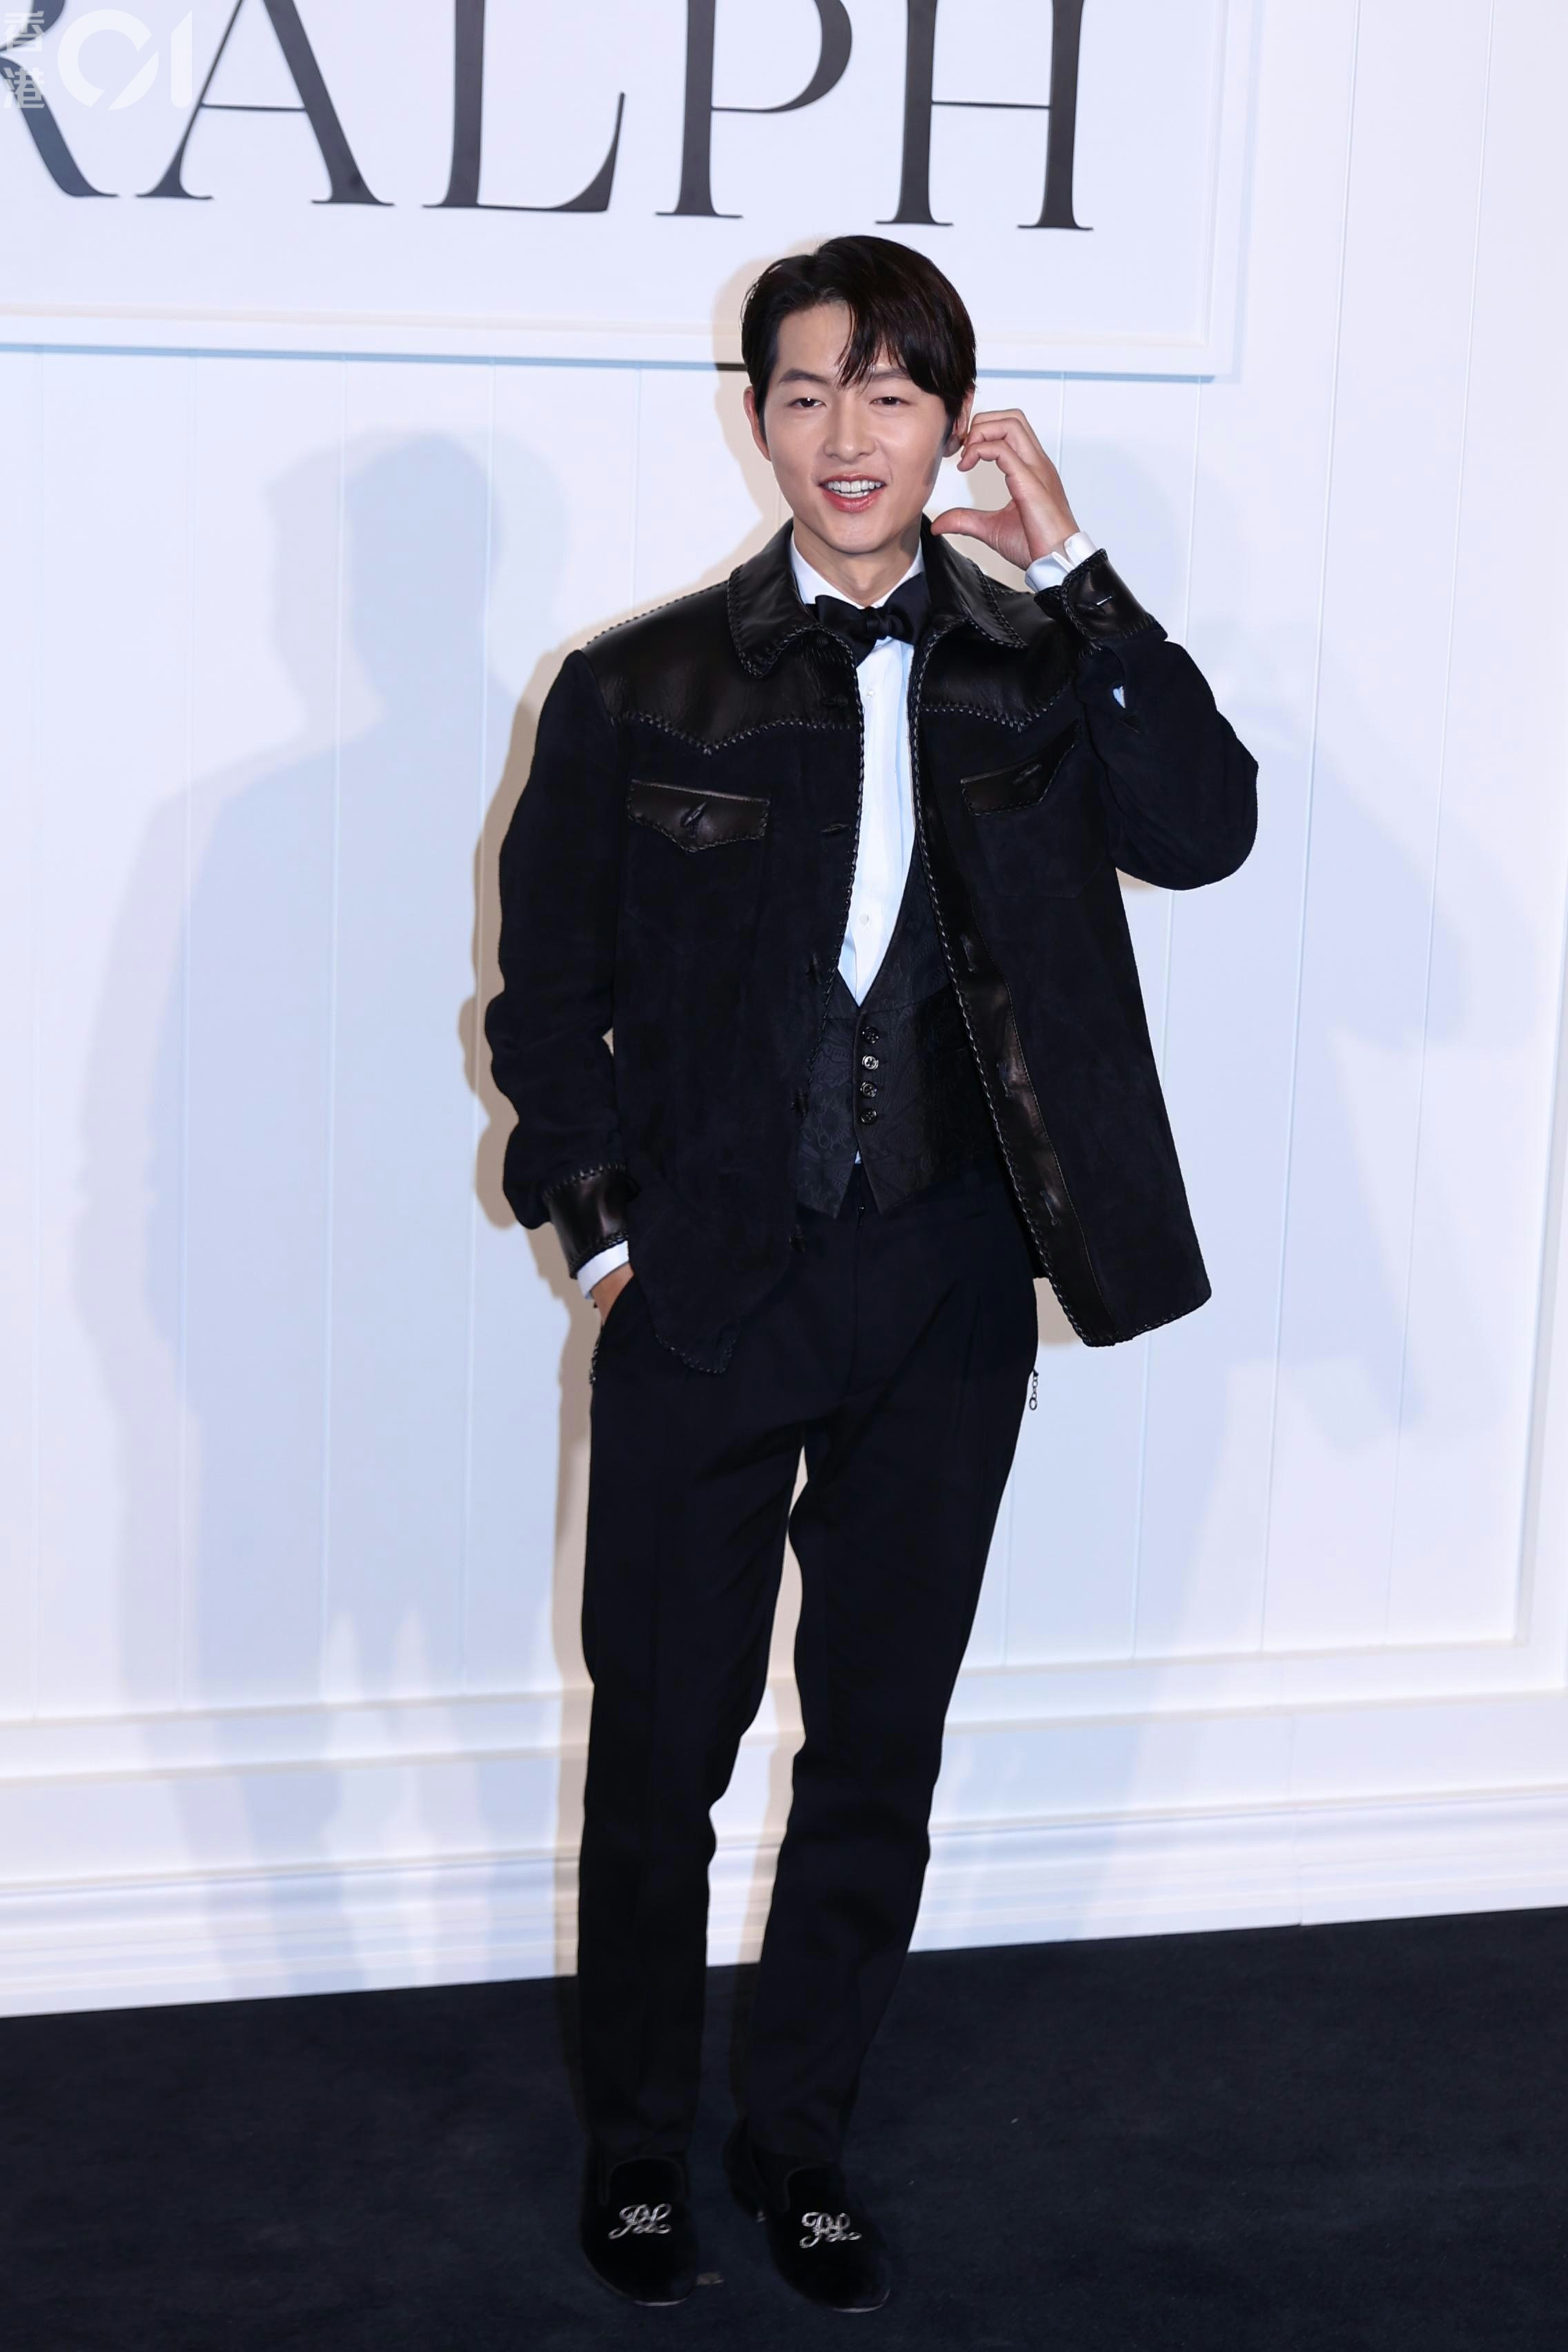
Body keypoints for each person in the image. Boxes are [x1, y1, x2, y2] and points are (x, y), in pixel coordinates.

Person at [484, 233, 1257, 2313]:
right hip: (707, 1294)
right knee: (662, 1751)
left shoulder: (1033, 659)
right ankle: (639, 2147)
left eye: (894, 393)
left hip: (947, 1291)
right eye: (811, 389)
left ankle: (798, 2138)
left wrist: (1077, 568)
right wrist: (609, 1241)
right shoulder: (636, 686)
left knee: (876, 1748)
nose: (850, 433)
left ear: (953, 426)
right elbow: (544, 1004)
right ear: (758, 415)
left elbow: (1203, 827)